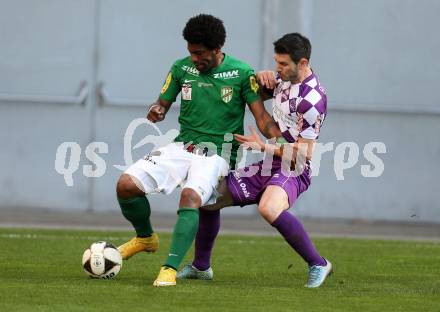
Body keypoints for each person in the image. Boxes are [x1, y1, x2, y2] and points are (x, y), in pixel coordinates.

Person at [115, 14, 281, 287]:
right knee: (125, 185)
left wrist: (283, 144)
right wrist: (157, 110)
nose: (194, 58)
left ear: (217, 49)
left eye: (200, 53)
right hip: (182, 146)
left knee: (191, 197)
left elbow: (262, 118)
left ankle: (169, 268)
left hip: (218, 153)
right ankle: (145, 238)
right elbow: (161, 104)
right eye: (191, 52)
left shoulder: (241, 73)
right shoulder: (181, 68)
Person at [177, 33, 332, 288]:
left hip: (294, 168)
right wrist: (258, 78)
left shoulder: (312, 100)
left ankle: (318, 263)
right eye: (276, 62)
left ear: (302, 63)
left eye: (283, 64)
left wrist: (264, 146)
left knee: (269, 208)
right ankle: (201, 267)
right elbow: (250, 94)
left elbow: (304, 155)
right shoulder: (282, 79)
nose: (277, 69)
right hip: (270, 163)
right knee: (208, 198)